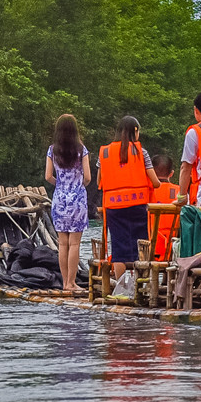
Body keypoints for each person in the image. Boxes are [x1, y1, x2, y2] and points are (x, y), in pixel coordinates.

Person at [98, 116, 160, 280]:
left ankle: (121, 286)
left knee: (119, 247)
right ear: (135, 131)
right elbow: (155, 182)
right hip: (137, 205)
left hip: (113, 207)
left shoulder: (104, 152)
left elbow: (99, 181)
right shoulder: (141, 152)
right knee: (140, 245)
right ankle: (142, 284)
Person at [44, 113, 92, 295]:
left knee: (62, 244)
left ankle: (65, 282)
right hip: (77, 199)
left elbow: (48, 176)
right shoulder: (81, 150)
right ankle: (72, 283)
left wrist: (61, 185)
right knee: (74, 244)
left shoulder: (52, 150)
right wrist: (78, 185)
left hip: (59, 199)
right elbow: (87, 177)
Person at [149, 153, 179, 261]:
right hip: (174, 249)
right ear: (171, 174)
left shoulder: (147, 192)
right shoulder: (180, 193)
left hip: (150, 249)